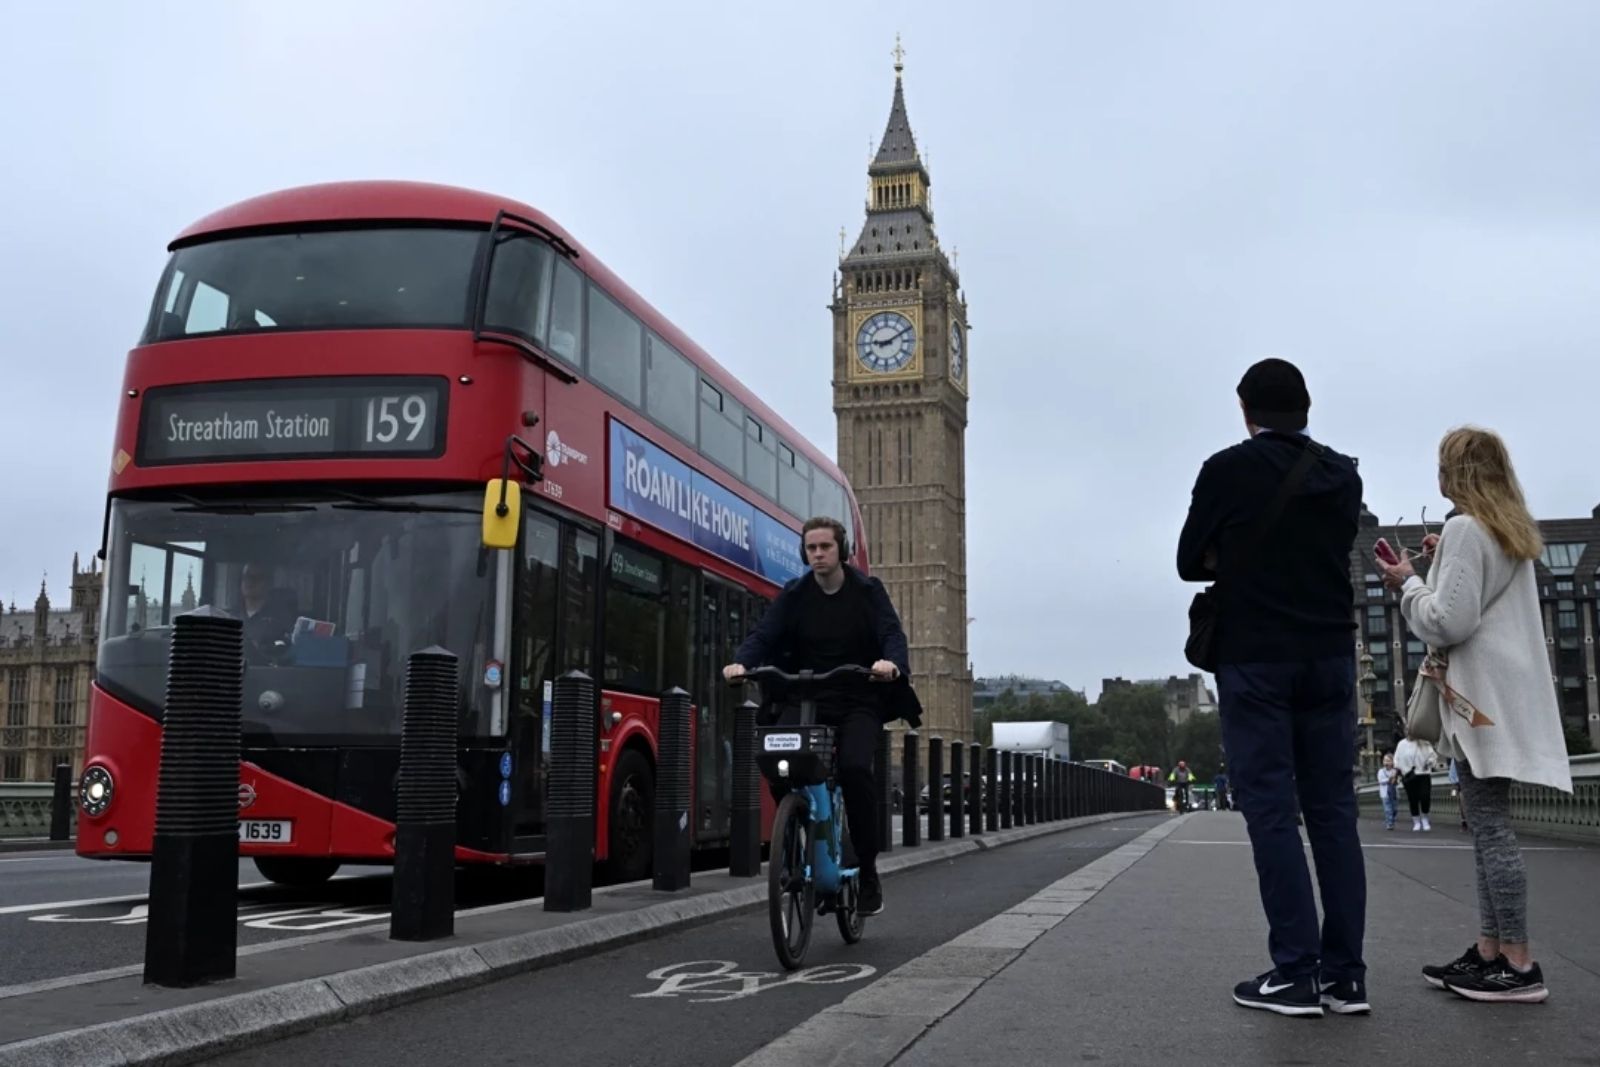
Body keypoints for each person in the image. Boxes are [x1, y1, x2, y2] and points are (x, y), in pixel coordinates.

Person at [1176, 358, 1368, 1018]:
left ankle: (1296, 970)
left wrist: (1229, 554)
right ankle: (1347, 976)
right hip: (1329, 655)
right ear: (1306, 407)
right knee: (1334, 813)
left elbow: (1185, 560)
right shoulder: (1343, 472)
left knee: (1272, 812)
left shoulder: (1226, 469)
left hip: (1257, 659)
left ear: (1246, 409)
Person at [1376, 427, 1573, 1003]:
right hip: (1506, 696)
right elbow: (1477, 601)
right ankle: (1491, 949)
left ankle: (1516, 961)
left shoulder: (1466, 527)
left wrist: (1407, 582)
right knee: (1489, 824)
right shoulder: (1509, 531)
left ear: (1452, 475)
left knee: (1491, 829)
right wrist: (1442, 565)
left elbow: (1446, 623)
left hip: (1478, 702)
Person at [723, 516, 922, 918]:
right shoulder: (795, 594)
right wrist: (741, 663)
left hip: (857, 697)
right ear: (803, 552)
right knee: (777, 761)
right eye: (811, 548)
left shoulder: (867, 592)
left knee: (853, 770)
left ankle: (867, 871)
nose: (817, 554)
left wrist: (891, 664)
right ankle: (798, 835)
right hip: (806, 695)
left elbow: (891, 633)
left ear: (843, 551)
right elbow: (765, 634)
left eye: (825, 547)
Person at [238, 562, 297, 660]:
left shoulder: (281, 618)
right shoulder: (230, 615)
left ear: (269, 583)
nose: (249, 581)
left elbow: (287, 649)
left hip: (267, 672)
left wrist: (264, 647)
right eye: (246, 576)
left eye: (256, 578)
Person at [1394, 735, 1433, 832]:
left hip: (1423, 773)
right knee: (1412, 798)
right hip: (1408, 775)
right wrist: (1400, 770)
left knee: (1425, 796)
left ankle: (1425, 818)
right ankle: (1416, 821)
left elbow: (1432, 755)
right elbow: (1397, 759)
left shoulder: (1424, 742)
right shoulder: (1401, 744)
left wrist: (1429, 763)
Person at [1376, 753, 1401, 831]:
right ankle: (1389, 824)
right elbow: (1381, 781)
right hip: (1385, 793)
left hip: (1394, 793)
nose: (1386, 762)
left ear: (1392, 762)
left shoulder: (1395, 771)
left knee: (1395, 809)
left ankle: (1391, 821)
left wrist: (1396, 779)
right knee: (1388, 809)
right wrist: (1389, 779)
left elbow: (1398, 781)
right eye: (1384, 760)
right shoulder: (1381, 771)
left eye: (1388, 761)